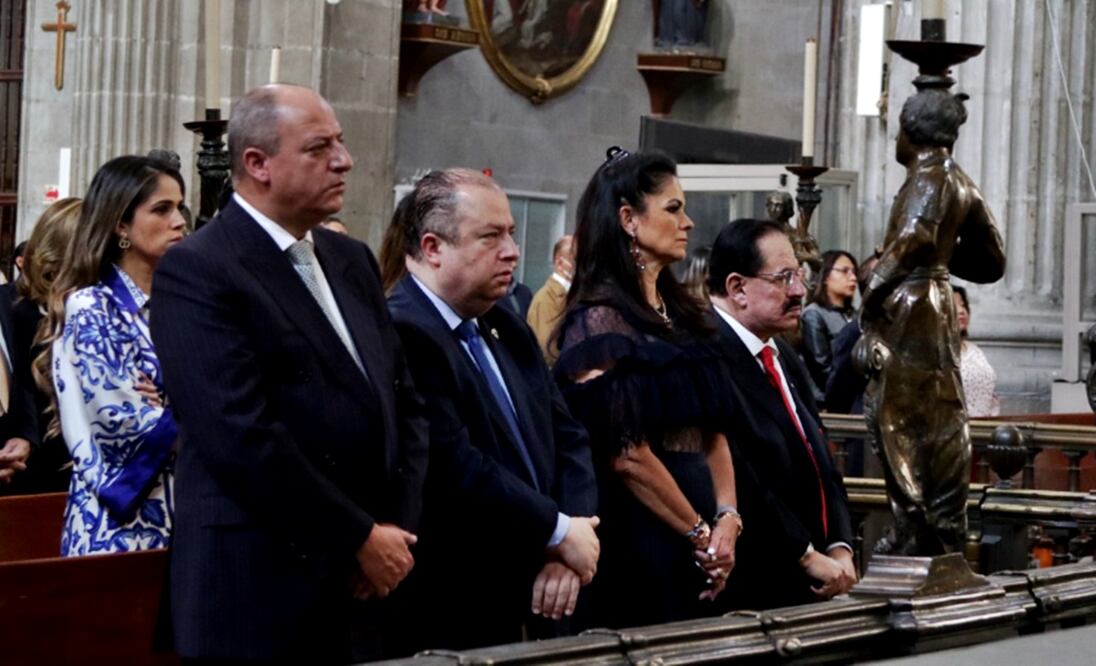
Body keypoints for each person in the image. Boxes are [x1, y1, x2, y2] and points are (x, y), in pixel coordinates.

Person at [150, 84, 428, 662]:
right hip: (257, 589)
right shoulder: (199, 268)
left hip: (366, 582)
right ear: (258, 164)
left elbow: (404, 401)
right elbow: (239, 436)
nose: (344, 160)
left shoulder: (349, 259)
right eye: (319, 148)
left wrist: (391, 532)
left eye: (340, 143)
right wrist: (356, 536)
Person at [384, 169, 599, 651]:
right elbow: (457, 467)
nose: (512, 251)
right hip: (459, 606)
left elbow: (569, 436)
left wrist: (571, 538)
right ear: (433, 247)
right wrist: (558, 531)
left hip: (542, 590)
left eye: (512, 234)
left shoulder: (504, 323)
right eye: (490, 237)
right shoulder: (403, 332)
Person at [555, 148, 741, 629]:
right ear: (628, 220)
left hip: (701, 532)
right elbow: (628, 456)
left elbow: (714, 431)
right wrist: (699, 533)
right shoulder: (598, 319)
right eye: (673, 209)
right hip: (641, 535)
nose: (688, 223)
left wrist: (728, 517)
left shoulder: (684, 314)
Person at [858, 90, 1005, 556]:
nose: (895, 140)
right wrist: (945, 257)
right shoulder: (959, 180)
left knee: (900, 418)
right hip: (935, 299)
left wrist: (873, 288)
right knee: (937, 415)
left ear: (912, 132)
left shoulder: (928, 176)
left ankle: (915, 531)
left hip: (912, 306)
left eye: (898, 130)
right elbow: (992, 258)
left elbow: (916, 237)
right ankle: (937, 533)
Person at [36, 157, 184, 556]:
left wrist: (171, 403)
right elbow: (124, 421)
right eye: (161, 209)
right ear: (121, 225)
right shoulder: (92, 307)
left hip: (188, 518)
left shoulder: (182, 303)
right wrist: (193, 413)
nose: (179, 221)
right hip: (119, 528)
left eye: (180, 207)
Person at [706, 218, 856, 610]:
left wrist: (841, 546)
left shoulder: (780, 351)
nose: (799, 291)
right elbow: (743, 475)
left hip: (817, 577)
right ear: (737, 287)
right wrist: (805, 554)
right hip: (756, 586)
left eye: (800, 276)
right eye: (784, 278)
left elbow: (820, 456)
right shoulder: (706, 353)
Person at [2, 197, 83, 495]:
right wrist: (25, 436)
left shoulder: (105, 310)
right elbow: (22, 385)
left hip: (88, 476)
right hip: (33, 477)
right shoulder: (13, 308)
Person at [801, 250, 859, 406]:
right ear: (826, 276)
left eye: (854, 272)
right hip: (828, 402)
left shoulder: (855, 315)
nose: (853, 277)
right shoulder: (814, 314)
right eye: (845, 271)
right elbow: (821, 367)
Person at [527, 234, 575, 364]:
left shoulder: (574, 294)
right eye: (576, 259)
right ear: (559, 263)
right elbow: (548, 351)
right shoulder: (546, 299)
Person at [953, 285, 1000, 418]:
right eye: (954, 306)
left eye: (963, 305)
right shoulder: (935, 354)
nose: (961, 311)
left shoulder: (975, 351)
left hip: (986, 424)